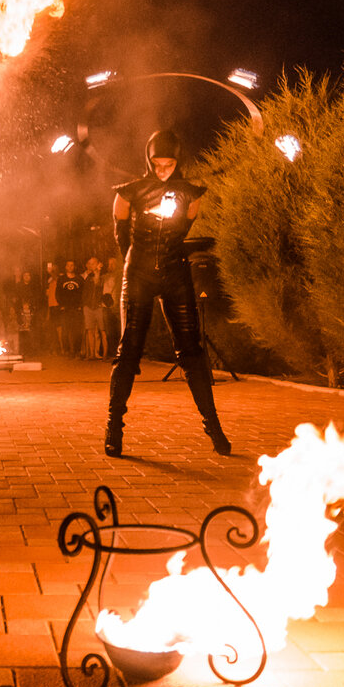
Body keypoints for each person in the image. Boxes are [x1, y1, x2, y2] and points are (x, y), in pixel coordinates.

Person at [105, 130, 230, 457]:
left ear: (178, 160)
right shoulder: (129, 192)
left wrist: (166, 257)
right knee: (129, 349)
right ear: (148, 160)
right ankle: (114, 427)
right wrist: (136, 262)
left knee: (192, 351)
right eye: (157, 164)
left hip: (175, 272)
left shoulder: (191, 193)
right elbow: (120, 233)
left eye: (169, 164)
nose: (162, 170)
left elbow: (184, 228)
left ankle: (213, 425)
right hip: (139, 273)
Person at [81, 257, 108, 359]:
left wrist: (98, 271)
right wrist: (84, 304)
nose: (91, 265)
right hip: (88, 306)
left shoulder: (102, 276)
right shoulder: (88, 276)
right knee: (90, 330)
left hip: (98, 306)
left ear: (98, 264)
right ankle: (92, 354)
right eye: (90, 263)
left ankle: (104, 354)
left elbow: (97, 283)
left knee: (103, 331)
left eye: (93, 263)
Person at [54, 260, 83, 356]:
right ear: (65, 267)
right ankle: (67, 351)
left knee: (77, 330)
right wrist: (61, 305)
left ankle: (77, 351)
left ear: (74, 267)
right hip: (65, 308)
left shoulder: (79, 279)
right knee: (65, 330)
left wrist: (80, 305)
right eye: (68, 265)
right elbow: (57, 293)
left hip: (76, 308)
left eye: (72, 265)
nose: (70, 267)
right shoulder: (61, 279)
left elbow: (83, 293)